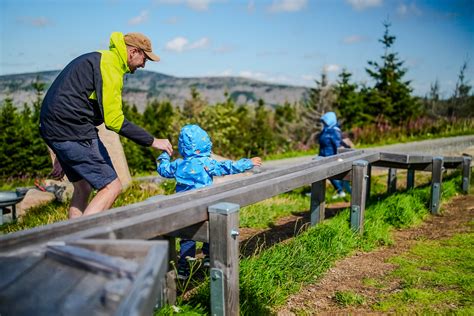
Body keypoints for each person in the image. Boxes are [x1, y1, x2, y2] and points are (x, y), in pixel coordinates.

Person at [40, 32, 173, 219]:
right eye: (145, 58)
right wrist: (152, 141)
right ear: (133, 52)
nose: (144, 64)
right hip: (73, 130)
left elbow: (65, 100)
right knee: (112, 187)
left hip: (55, 129)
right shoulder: (110, 66)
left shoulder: (100, 58)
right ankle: (85, 239)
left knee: (83, 187)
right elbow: (114, 121)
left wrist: (61, 151)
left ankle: (72, 243)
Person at [156, 124, 262, 279]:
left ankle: (184, 268)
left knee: (187, 236)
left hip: (184, 209)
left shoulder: (178, 165)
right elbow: (229, 167)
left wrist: (164, 155)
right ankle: (208, 256)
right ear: (202, 146)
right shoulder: (207, 163)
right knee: (212, 227)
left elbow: (163, 169)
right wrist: (248, 163)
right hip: (204, 208)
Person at [317, 111, 351, 199]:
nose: (324, 123)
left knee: (330, 174)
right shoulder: (325, 130)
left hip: (330, 156)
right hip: (322, 155)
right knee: (319, 173)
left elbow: (337, 144)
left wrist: (339, 156)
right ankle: (316, 191)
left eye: (325, 121)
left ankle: (340, 191)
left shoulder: (334, 131)